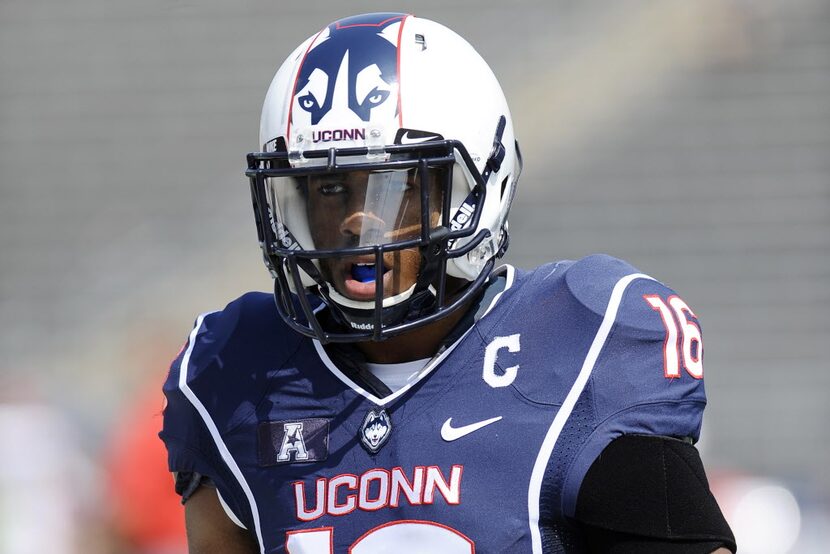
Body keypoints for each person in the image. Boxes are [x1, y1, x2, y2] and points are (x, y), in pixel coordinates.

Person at [160, 12, 736, 554]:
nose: (359, 218)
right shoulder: (235, 369)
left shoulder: (581, 337)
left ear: (473, 192)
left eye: (394, 185)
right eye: (330, 189)